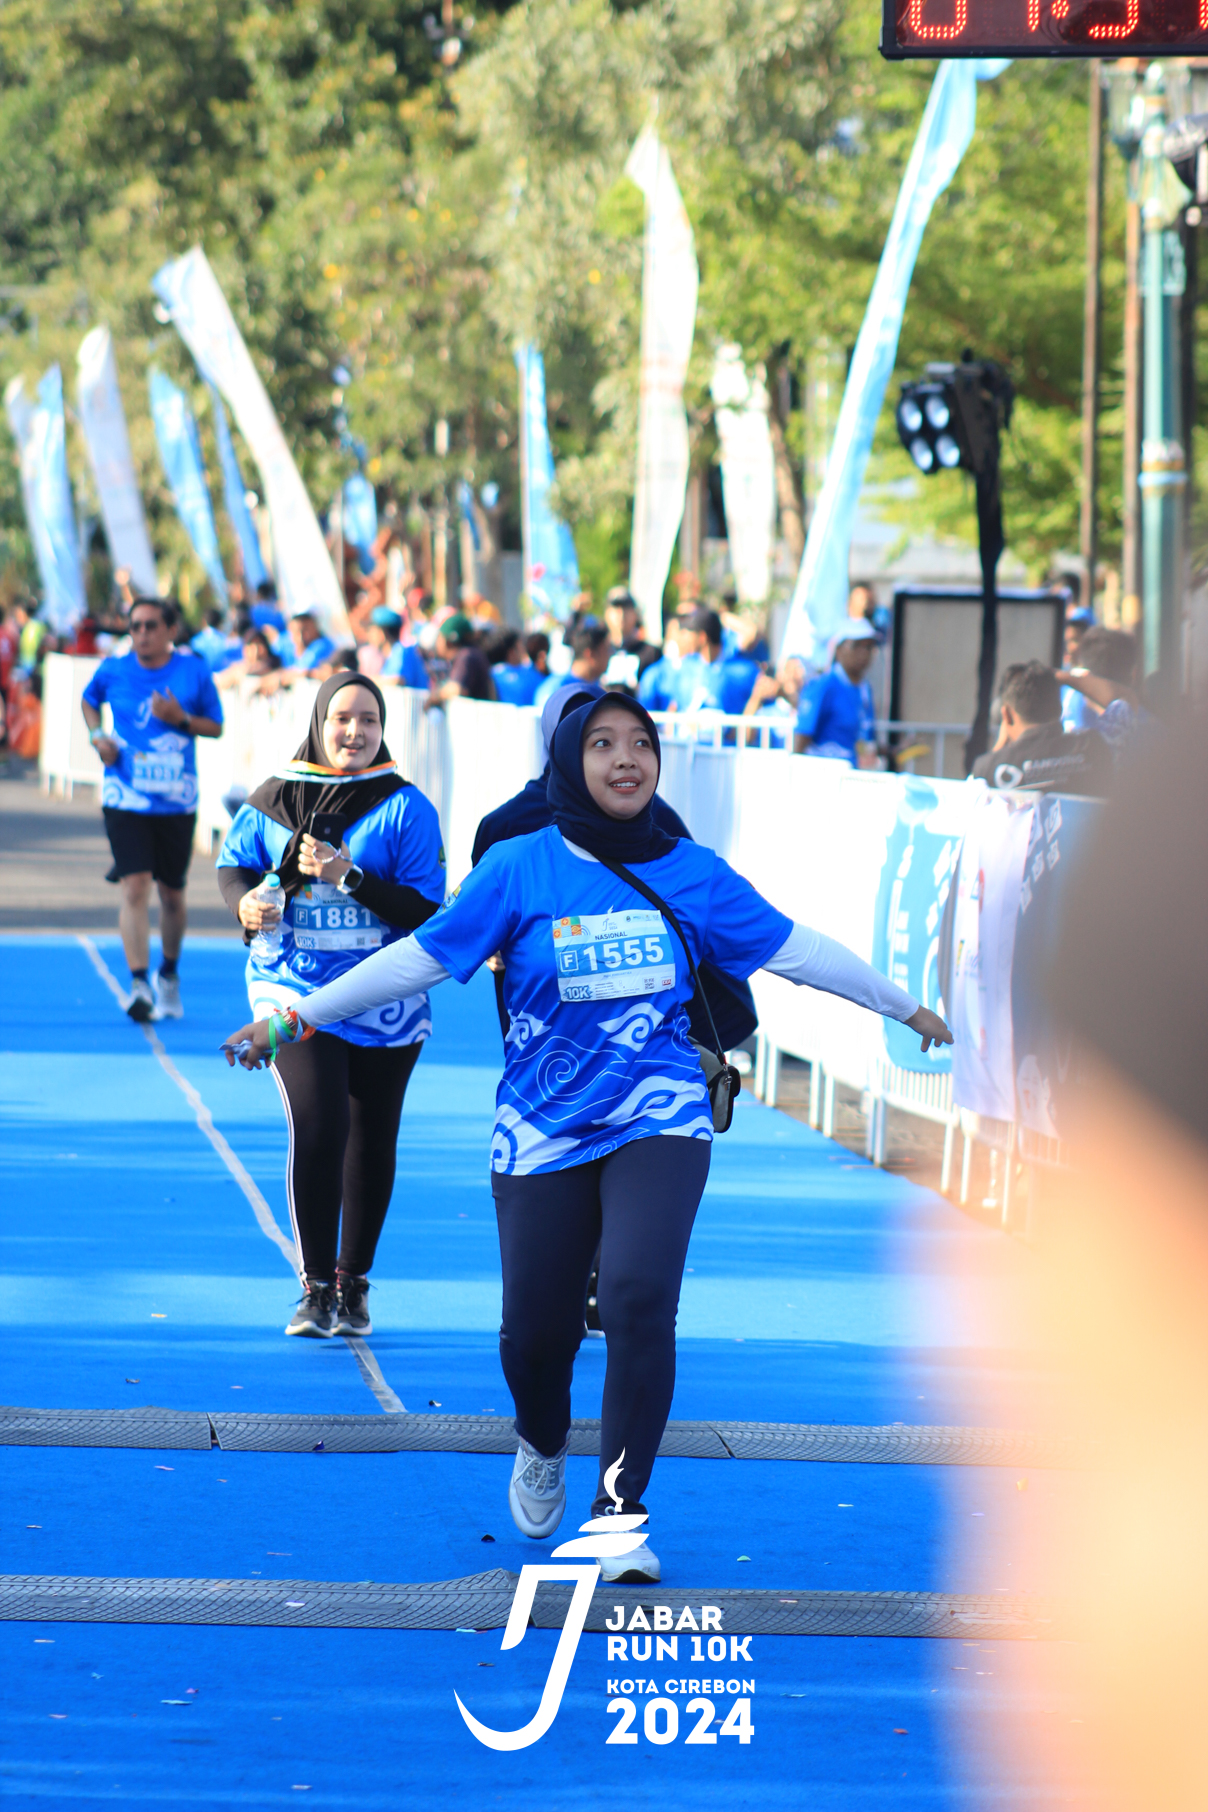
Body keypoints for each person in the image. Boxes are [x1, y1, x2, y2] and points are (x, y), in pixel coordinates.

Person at [224, 693, 950, 1579]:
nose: (625, 758)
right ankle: (540, 1439)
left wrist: (905, 1007)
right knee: (535, 1336)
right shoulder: (519, 865)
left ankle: (620, 1511)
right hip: (543, 1123)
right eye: (602, 744)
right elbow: (416, 959)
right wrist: (295, 1018)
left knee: (639, 1297)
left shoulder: (692, 870)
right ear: (569, 760)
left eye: (640, 743)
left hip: (660, 1109)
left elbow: (798, 950)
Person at [216, 674, 446, 1339]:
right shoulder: (274, 798)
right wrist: (245, 904)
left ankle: (353, 1283)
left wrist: (349, 876)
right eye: (342, 718)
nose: (354, 732)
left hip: (383, 994)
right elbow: (234, 866)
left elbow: (424, 911)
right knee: (319, 1126)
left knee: (371, 1140)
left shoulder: (406, 808)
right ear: (319, 724)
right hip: (292, 986)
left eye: (369, 720)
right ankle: (315, 1287)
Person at [81, 597, 224, 1021]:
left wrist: (181, 718)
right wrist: (97, 738)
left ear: (171, 631)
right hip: (125, 797)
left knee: (172, 894)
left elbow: (216, 726)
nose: (141, 634)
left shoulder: (193, 671)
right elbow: (89, 701)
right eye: (135, 626)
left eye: (150, 626)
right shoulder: (113, 669)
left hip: (177, 800)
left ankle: (169, 973)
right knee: (135, 886)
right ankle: (139, 983)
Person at [971, 661, 1112, 796]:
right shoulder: (1093, 747)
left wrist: (999, 749)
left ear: (1006, 715)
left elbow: (972, 801)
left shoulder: (987, 769)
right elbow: (1122, 701)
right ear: (1060, 709)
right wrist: (1062, 676)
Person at [793, 621, 878, 765]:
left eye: (869, 647)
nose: (864, 653)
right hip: (824, 771)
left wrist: (892, 750)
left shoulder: (865, 689)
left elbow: (863, 739)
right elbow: (802, 738)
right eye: (856, 646)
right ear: (839, 650)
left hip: (853, 773)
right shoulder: (823, 685)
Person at [673, 607, 761, 718]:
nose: (685, 638)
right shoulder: (687, 667)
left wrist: (724, 616)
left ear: (702, 637)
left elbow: (751, 632)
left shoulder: (741, 670)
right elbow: (675, 707)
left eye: (689, 632)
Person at [535, 619, 612, 709]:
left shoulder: (597, 686)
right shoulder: (557, 689)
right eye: (606, 650)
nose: (610, 654)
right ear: (591, 654)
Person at [423, 613, 495, 708]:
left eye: (440, 637)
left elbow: (456, 689)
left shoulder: (466, 655)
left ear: (448, 641)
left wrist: (434, 697)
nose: (437, 642)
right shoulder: (473, 653)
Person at [602, 587, 661, 694]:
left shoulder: (650, 653)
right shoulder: (599, 652)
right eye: (616, 608)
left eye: (626, 608)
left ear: (635, 614)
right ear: (606, 614)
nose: (621, 614)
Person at [364, 607, 430, 691]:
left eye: (371, 630)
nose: (369, 635)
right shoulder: (392, 654)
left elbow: (397, 681)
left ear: (382, 633)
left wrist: (365, 681)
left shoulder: (401, 650)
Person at [487, 628, 544, 706]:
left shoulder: (492, 673)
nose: (524, 649)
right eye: (520, 645)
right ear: (512, 652)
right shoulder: (529, 675)